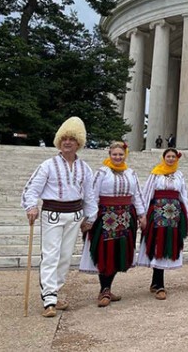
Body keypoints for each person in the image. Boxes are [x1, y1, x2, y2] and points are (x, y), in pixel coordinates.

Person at [21, 116, 94, 317]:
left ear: (78, 143)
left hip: (75, 215)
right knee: (51, 255)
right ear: (58, 142)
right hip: (52, 214)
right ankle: (49, 299)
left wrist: (90, 217)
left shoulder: (85, 168)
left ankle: (54, 292)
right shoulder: (48, 165)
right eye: (64, 139)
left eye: (71, 139)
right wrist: (31, 207)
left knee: (65, 257)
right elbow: (32, 189)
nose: (67, 142)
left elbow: (90, 195)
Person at [79, 142, 147, 307]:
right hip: (105, 217)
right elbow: (92, 195)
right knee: (105, 252)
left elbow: (136, 195)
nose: (117, 157)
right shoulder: (102, 172)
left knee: (118, 253)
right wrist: (90, 218)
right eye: (114, 154)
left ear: (125, 155)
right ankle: (104, 290)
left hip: (125, 217)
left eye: (120, 154)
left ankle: (108, 288)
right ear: (109, 155)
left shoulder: (131, 173)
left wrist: (141, 214)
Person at [137, 147, 188, 300]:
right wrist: (144, 215)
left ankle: (155, 282)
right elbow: (147, 193)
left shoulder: (179, 175)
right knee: (158, 244)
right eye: (168, 156)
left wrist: (185, 215)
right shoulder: (156, 173)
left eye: (173, 156)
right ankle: (160, 285)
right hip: (158, 213)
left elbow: (183, 194)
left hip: (174, 215)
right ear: (164, 157)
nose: (171, 159)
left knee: (167, 246)